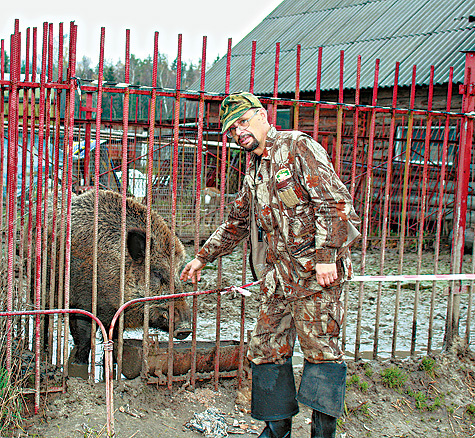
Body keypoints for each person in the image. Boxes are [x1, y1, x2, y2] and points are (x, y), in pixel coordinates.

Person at [180, 92, 360, 438]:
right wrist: (203, 256)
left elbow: (336, 205)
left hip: (315, 279)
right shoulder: (254, 169)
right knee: (265, 348)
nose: (238, 132)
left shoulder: (297, 147)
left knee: (322, 353)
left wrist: (326, 259)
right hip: (279, 280)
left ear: (262, 115)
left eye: (243, 122)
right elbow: (237, 221)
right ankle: (277, 430)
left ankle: (322, 434)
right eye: (232, 129)